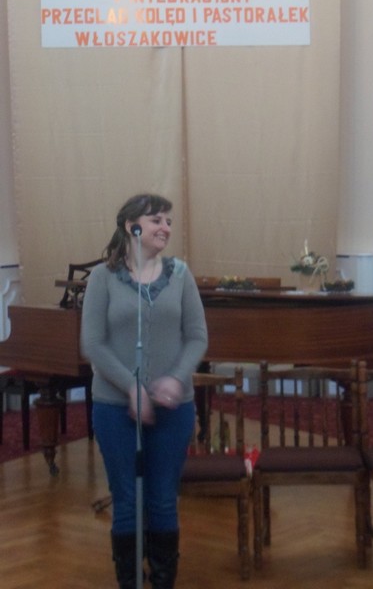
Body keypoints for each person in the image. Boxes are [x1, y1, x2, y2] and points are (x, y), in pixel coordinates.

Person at [81, 194, 208, 589]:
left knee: (163, 500)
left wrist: (176, 378)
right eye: (156, 220)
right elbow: (93, 343)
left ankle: (163, 582)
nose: (165, 227)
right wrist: (132, 387)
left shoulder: (181, 274)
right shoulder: (102, 278)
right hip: (114, 407)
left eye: (168, 221)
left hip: (174, 409)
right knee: (126, 502)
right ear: (130, 226)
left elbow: (197, 337)